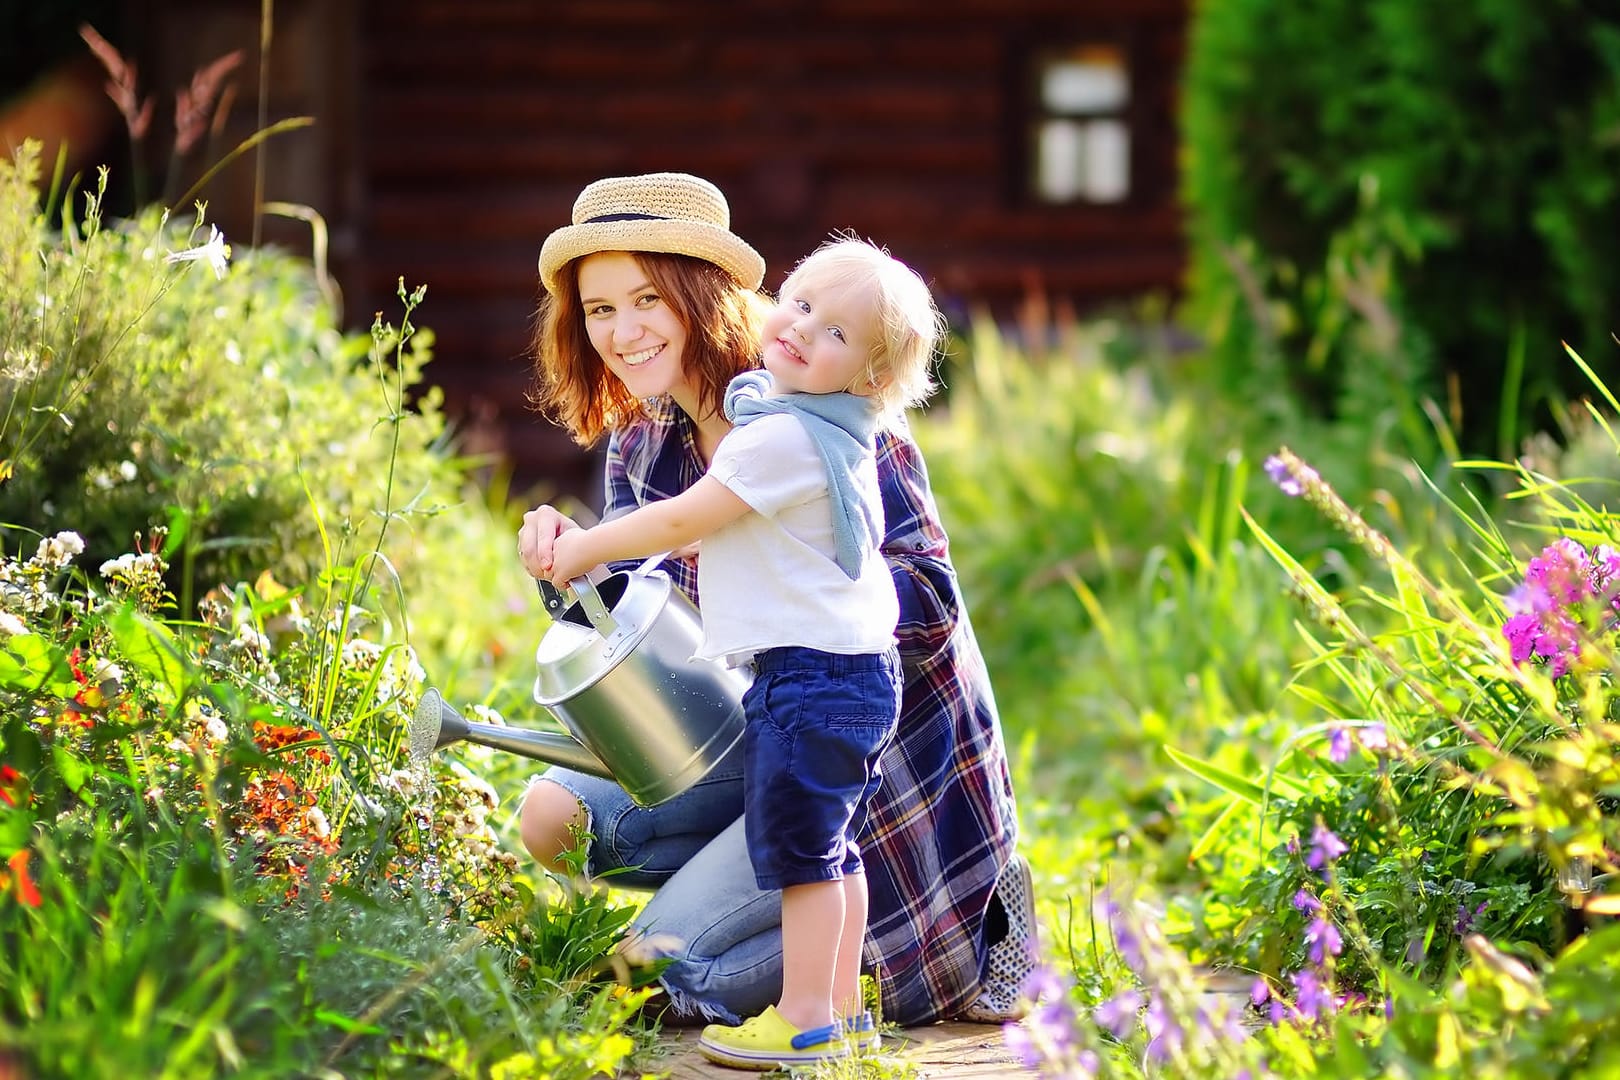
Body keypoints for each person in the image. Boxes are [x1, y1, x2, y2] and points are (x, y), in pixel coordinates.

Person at [513, 172, 1031, 1032]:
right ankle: (716, 910)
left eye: (647, 298)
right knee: (551, 816)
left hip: (860, 767)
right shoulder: (647, 439)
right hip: (750, 733)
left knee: (647, 977)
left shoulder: (825, 399)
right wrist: (567, 569)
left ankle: (863, 962)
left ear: (701, 293)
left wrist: (752, 547)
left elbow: (931, 602)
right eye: (599, 310)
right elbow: (645, 638)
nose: (624, 332)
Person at [542, 236, 932, 1067]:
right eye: (799, 305)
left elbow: (689, 519)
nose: (799, 329)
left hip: (827, 691)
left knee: (797, 859)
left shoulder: (790, 432)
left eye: (647, 299)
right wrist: (577, 567)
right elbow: (651, 619)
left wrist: (587, 548)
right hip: (818, 683)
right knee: (825, 849)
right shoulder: (781, 418)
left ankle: (804, 1016)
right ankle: (836, 1010)